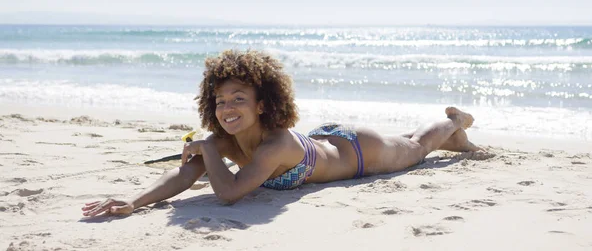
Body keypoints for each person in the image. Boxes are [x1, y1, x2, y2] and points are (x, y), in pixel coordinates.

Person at [82, 50, 480, 217]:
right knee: (412, 143)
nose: (227, 108)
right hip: (323, 141)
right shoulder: (221, 140)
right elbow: (187, 174)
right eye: (220, 101)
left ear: (262, 104)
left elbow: (230, 193)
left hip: (359, 152)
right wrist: (134, 201)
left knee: (416, 145)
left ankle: (454, 121)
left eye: (239, 98)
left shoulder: (276, 143)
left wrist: (207, 149)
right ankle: (456, 139)